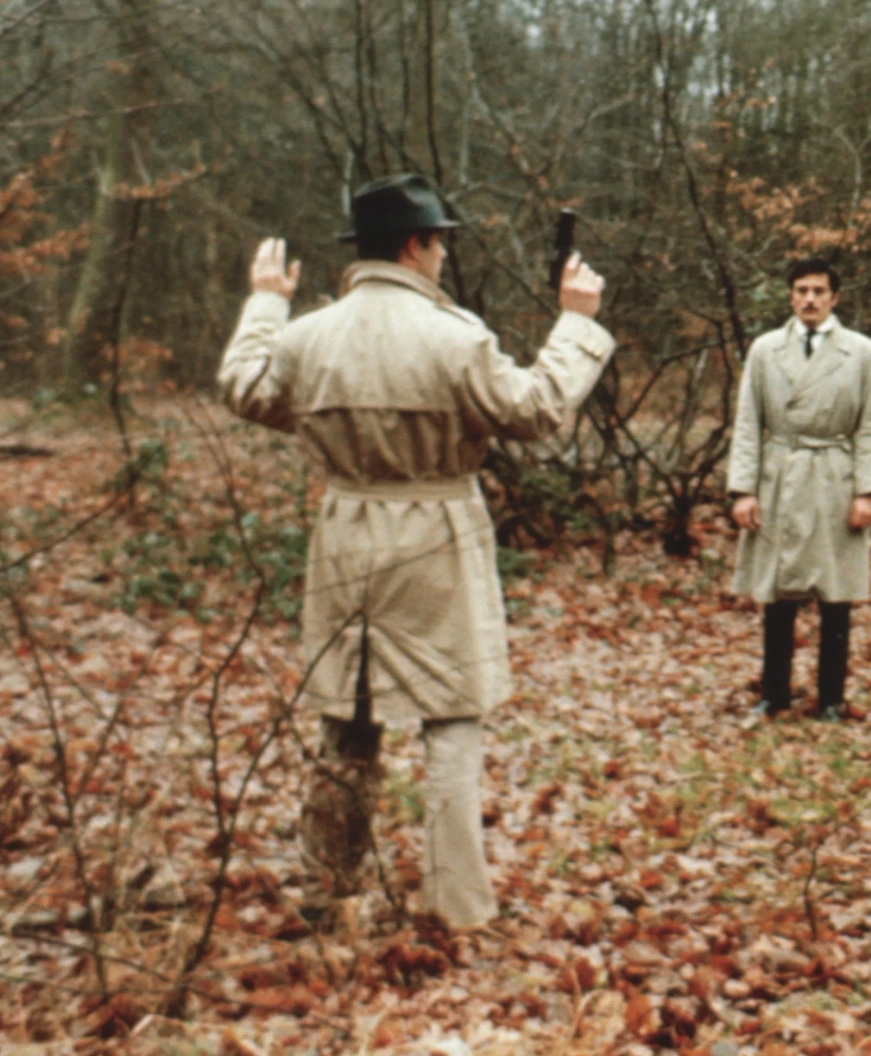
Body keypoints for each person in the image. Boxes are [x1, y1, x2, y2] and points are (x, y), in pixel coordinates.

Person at [217, 173, 612, 927]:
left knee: (347, 718)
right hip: (437, 535)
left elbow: (247, 388)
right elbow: (536, 408)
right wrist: (577, 323)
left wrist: (267, 303)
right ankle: (454, 905)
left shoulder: (307, 337)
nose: (441, 257)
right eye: (438, 243)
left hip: (345, 539)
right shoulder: (454, 336)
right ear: (413, 245)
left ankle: (328, 893)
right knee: (453, 716)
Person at [728, 257, 871, 721]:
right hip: (779, 477)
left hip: (835, 480)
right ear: (790, 296)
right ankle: (774, 692)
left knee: (835, 595)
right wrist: (743, 489)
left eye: (819, 291)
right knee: (778, 593)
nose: (810, 299)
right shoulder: (764, 351)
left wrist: (869, 491)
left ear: (835, 298)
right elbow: (747, 424)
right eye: (801, 290)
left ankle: (832, 698)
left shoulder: (860, 352)